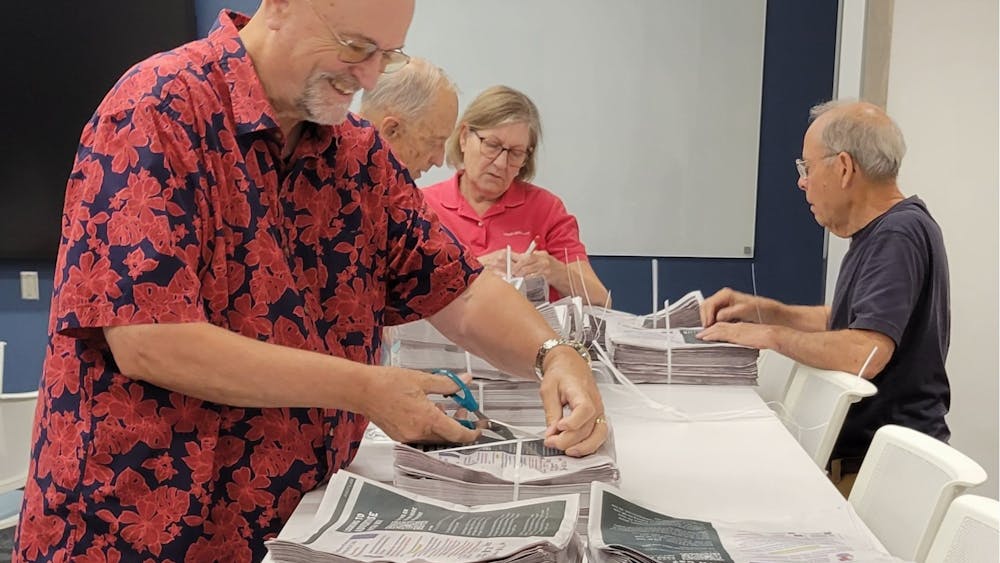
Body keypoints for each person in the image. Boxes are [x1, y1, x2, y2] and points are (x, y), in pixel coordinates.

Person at [12, 1, 608, 561]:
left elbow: (461, 288)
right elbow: (151, 339)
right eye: (354, 46)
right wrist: (365, 389)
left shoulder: (357, 158)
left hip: (290, 523)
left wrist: (554, 355)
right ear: (281, 6)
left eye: (387, 55)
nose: (370, 78)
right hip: (143, 526)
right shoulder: (158, 111)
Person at [698, 100, 950, 497]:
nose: (802, 182)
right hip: (870, 462)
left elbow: (863, 352)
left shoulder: (896, 235)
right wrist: (768, 313)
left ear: (845, 168)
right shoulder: (886, 230)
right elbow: (855, 322)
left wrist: (771, 338)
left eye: (807, 168)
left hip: (878, 472)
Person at [422, 85, 611, 306]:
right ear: (464, 137)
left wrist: (554, 271)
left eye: (516, 153)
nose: (501, 163)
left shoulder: (546, 209)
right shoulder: (424, 205)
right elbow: (400, 296)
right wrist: (474, 269)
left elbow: (601, 301)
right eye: (492, 145)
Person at [358, 57, 458, 180]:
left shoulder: (401, 194)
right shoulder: (332, 185)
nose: (439, 161)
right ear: (391, 130)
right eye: (433, 143)